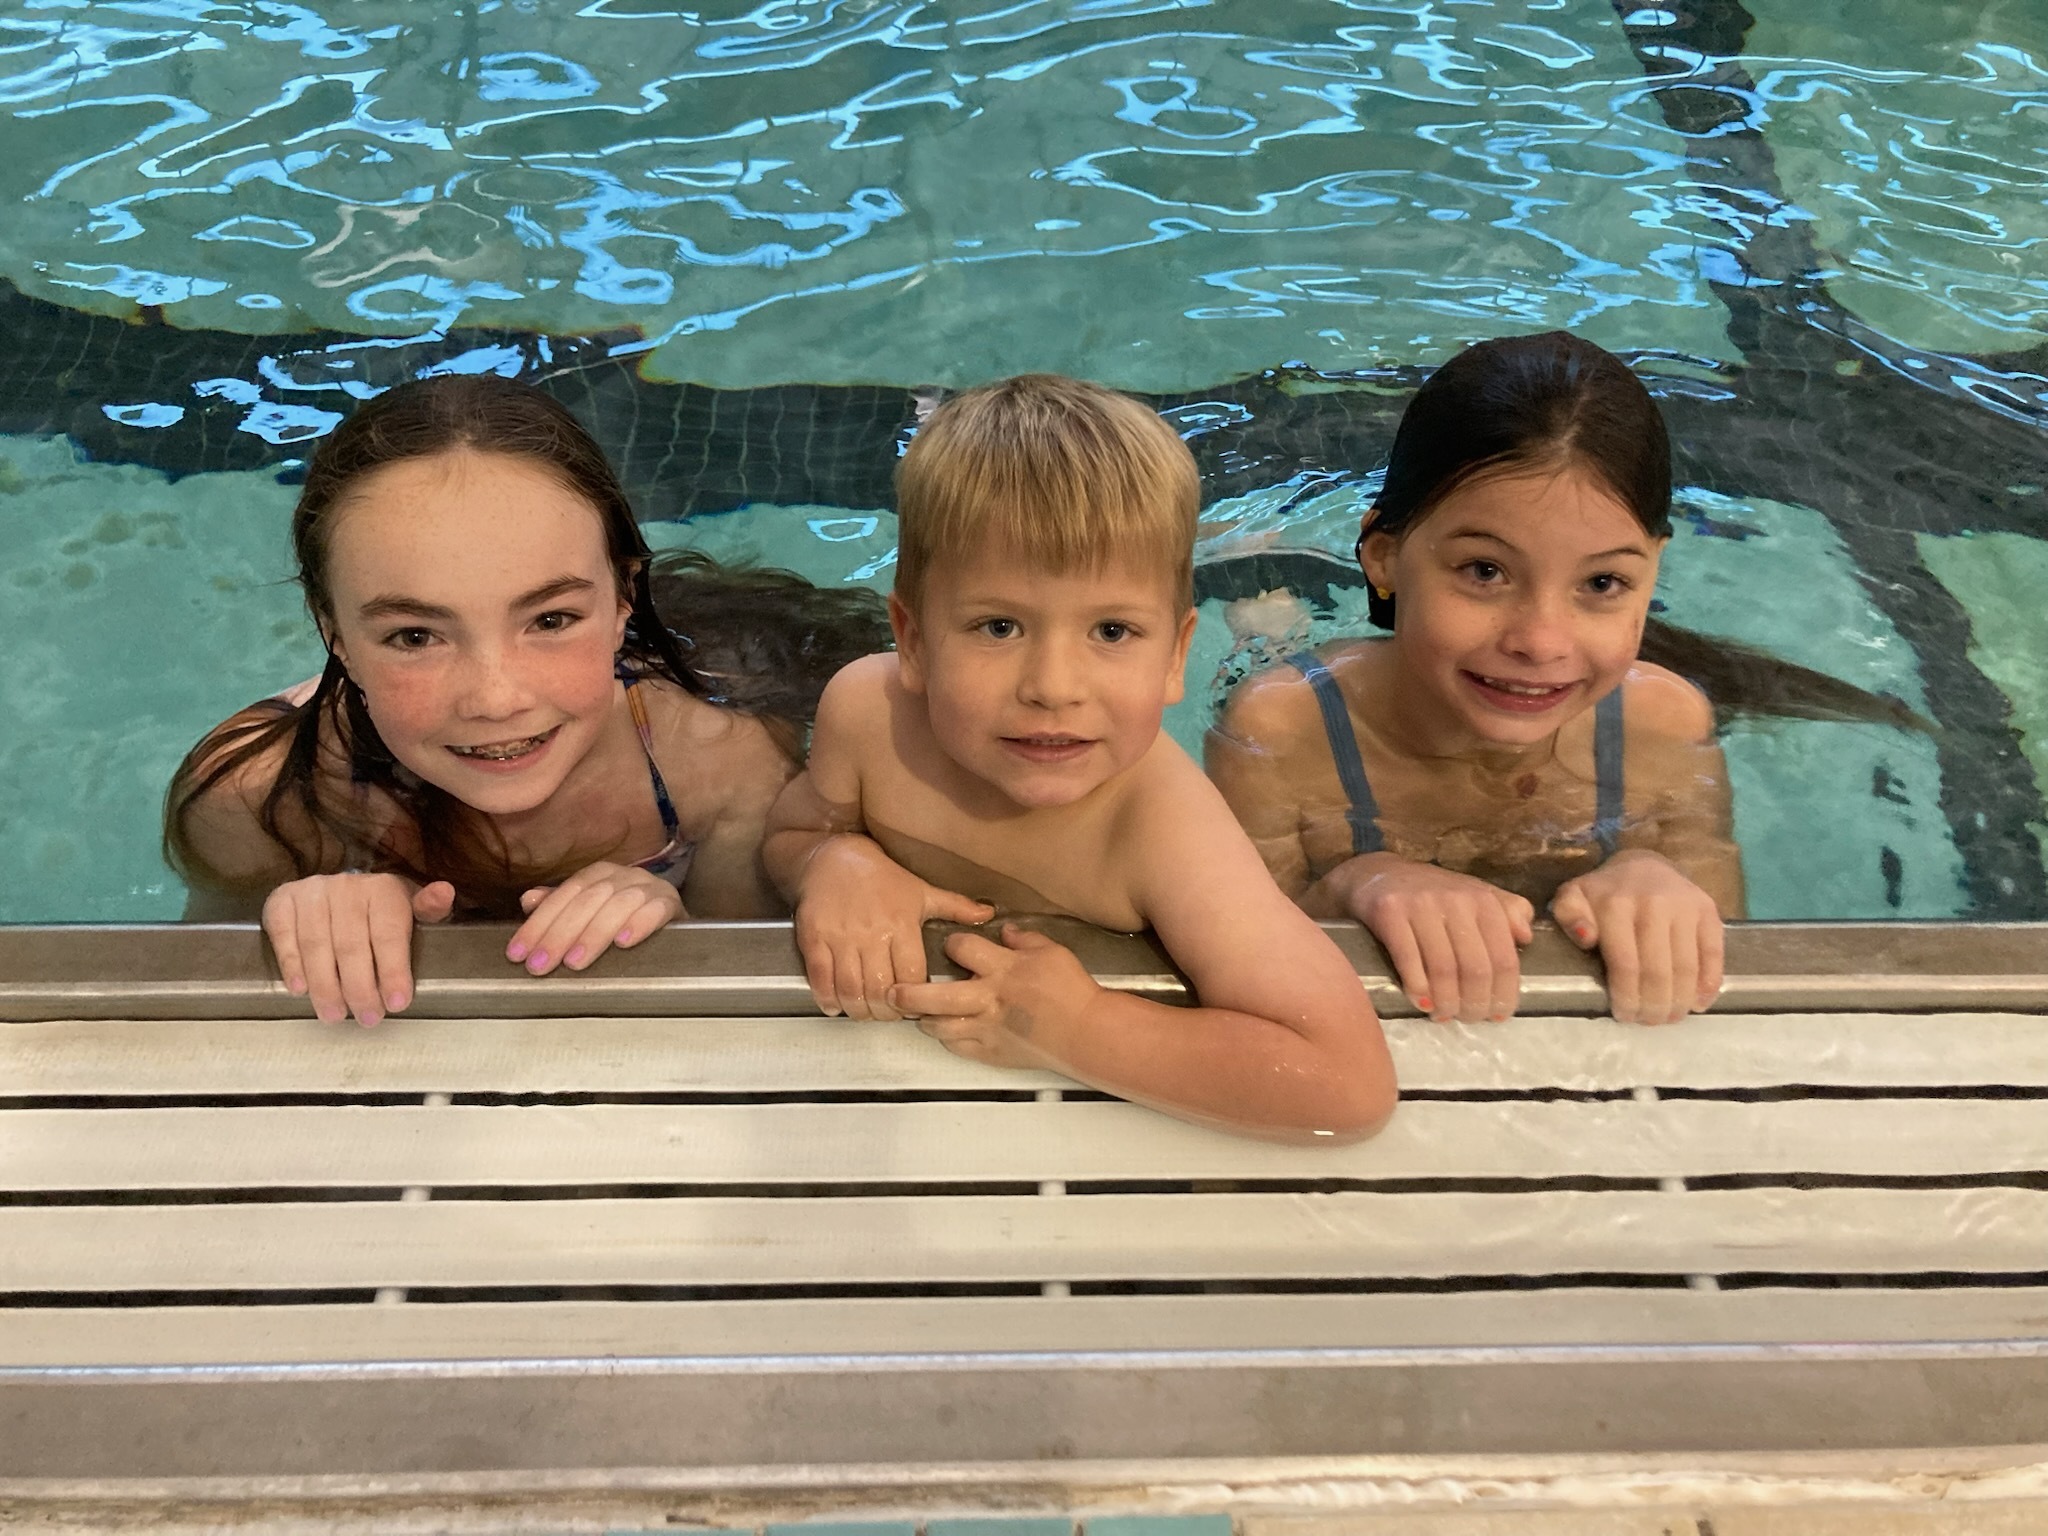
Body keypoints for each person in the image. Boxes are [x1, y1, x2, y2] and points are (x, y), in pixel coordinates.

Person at [1208, 330, 1923, 1027]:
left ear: (1653, 574)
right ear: (1385, 557)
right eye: (1484, 571)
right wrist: (1353, 885)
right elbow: (1230, 954)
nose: (1541, 642)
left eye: (1603, 581)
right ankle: (1265, 606)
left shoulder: (1662, 725)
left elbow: (1719, 941)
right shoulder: (1283, 733)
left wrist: (1662, 883)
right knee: (1266, 646)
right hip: (1330, 692)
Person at [762, 374, 1396, 1142]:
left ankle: (1264, 614)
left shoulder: (1159, 824)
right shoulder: (868, 713)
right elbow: (791, 835)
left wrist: (1082, 1030)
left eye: (1112, 633)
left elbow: (1346, 1082)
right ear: (914, 641)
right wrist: (837, 861)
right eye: (998, 628)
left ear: (1175, 658)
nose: (1054, 688)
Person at [165, 374, 888, 1027]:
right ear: (335, 637)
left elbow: (751, 1015)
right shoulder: (258, 798)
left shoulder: (721, 765)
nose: (495, 698)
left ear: (623, 603)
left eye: (551, 619)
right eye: (415, 636)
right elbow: (182, 1012)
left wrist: (674, 922)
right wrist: (295, 928)